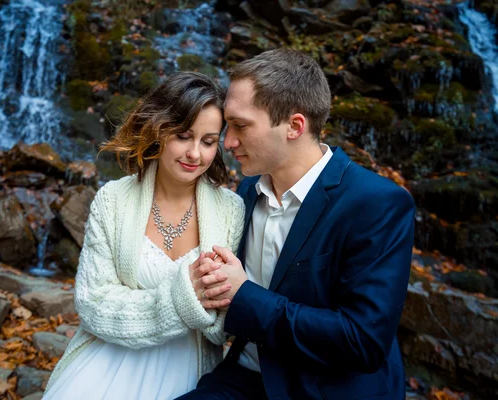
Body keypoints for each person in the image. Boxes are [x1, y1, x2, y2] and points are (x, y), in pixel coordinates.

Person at [178, 49, 416, 399]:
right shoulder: (247, 191)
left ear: (294, 126)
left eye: (241, 126)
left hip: (326, 390)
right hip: (242, 378)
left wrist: (244, 295)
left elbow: (363, 342)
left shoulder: (377, 203)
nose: (227, 142)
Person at [43, 72, 245, 400]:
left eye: (208, 142)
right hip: (106, 360)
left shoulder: (231, 210)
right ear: (158, 130)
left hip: (189, 371)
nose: (195, 154)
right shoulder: (113, 199)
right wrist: (182, 298)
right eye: (183, 136)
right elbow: (92, 304)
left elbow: (221, 325)